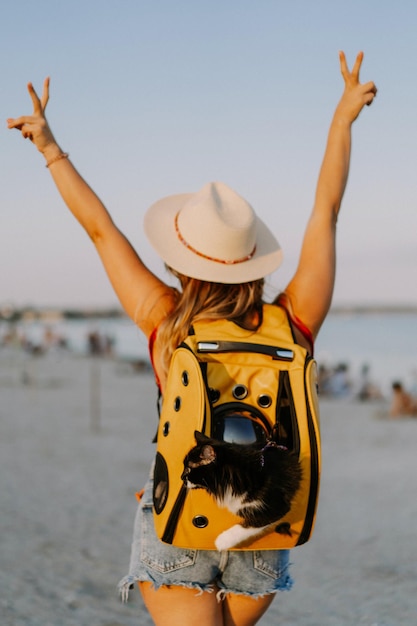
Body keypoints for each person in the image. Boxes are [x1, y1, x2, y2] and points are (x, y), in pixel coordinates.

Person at [7, 51, 376, 626]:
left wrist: (51, 150)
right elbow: (325, 213)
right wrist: (342, 120)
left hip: (179, 512)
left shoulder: (168, 320)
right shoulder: (294, 320)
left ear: (182, 263)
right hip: (264, 519)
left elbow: (101, 232)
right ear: (252, 261)